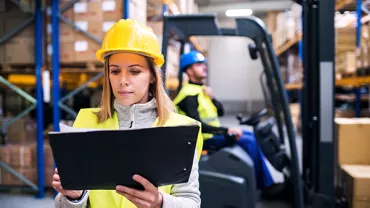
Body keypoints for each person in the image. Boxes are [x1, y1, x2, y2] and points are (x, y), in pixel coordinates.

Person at [52, 19, 203, 208]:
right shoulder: (85, 123)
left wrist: (160, 203)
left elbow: (191, 203)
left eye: (134, 71)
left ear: (153, 77)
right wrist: (74, 198)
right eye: (115, 71)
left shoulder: (180, 130)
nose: (123, 80)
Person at [173, 50, 282, 191]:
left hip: (212, 135)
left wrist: (213, 98)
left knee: (251, 136)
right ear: (189, 70)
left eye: (203, 64)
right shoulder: (189, 94)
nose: (204, 67)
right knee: (248, 141)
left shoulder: (202, 90)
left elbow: (221, 112)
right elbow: (198, 124)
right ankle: (267, 186)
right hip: (203, 140)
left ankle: (263, 180)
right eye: (199, 65)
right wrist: (226, 131)